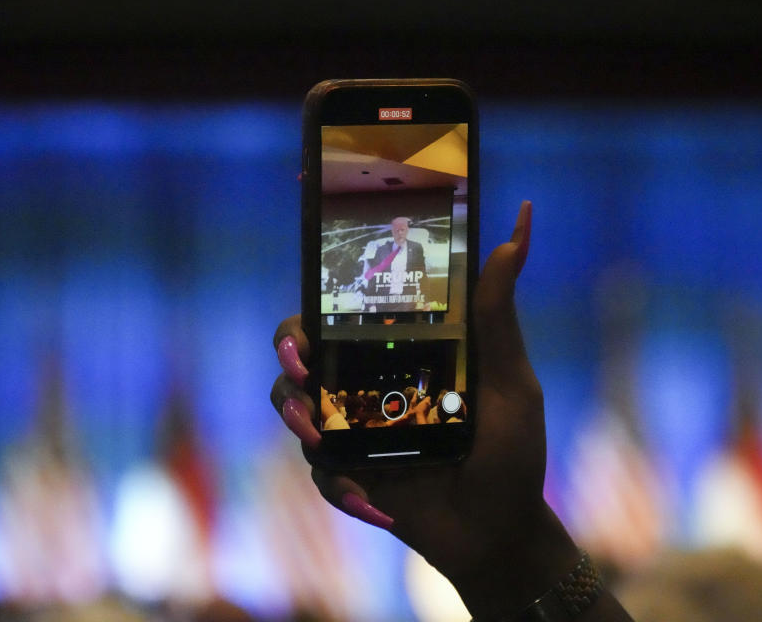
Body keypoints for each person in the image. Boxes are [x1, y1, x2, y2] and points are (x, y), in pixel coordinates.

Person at [272, 202, 634, 620]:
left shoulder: (424, 257)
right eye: (396, 227)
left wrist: (520, 553)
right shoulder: (372, 253)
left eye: (406, 226)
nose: (401, 233)